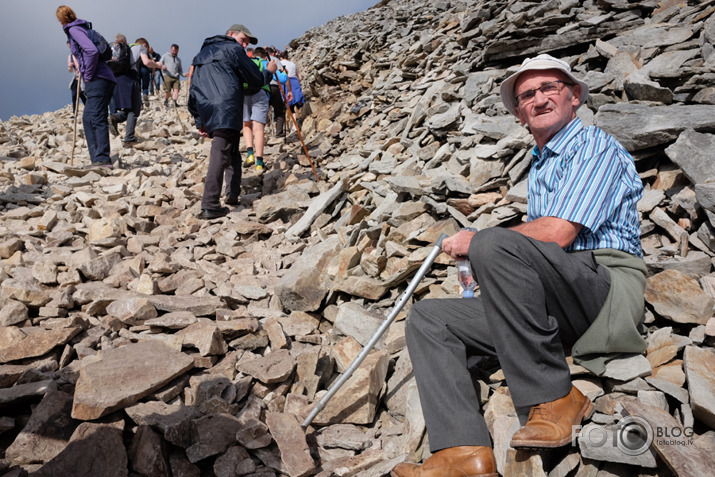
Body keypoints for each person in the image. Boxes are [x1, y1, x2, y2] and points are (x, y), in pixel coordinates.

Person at [392, 54, 646, 477]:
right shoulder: (543, 163)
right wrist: (495, 260)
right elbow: (539, 249)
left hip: (604, 290)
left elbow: (560, 234)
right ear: (518, 114)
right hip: (560, 298)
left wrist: (481, 244)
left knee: (493, 241)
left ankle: (555, 398)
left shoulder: (592, 146)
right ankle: (463, 452)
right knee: (430, 318)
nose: (540, 99)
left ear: (575, 96)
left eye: (550, 88)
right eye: (528, 95)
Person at [188, 24, 276, 220]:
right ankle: (210, 204)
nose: (244, 44)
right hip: (226, 106)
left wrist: (199, 119)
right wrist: (268, 72)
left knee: (231, 147)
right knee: (221, 151)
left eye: (247, 43)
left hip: (207, 107)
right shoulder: (233, 49)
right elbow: (254, 80)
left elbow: (193, 88)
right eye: (243, 39)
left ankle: (232, 193)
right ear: (230, 34)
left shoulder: (201, 54)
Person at [57, 5, 116, 167]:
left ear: (61, 20)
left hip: (98, 78)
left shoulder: (74, 30)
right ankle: (97, 158)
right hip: (103, 78)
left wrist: (87, 75)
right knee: (88, 118)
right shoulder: (82, 28)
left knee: (96, 117)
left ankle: (103, 159)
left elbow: (91, 51)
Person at [109, 37, 164, 147]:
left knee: (128, 108)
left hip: (117, 79)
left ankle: (114, 118)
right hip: (130, 79)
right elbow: (146, 62)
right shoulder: (141, 48)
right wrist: (158, 65)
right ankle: (129, 139)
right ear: (145, 45)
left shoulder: (124, 48)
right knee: (135, 109)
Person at [243, 47, 277, 172]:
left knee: (246, 124)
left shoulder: (245, 62)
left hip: (244, 93)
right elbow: (282, 78)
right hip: (260, 92)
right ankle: (259, 163)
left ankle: (250, 154)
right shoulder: (264, 62)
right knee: (258, 128)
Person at [265, 47, 292, 139]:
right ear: (272, 53)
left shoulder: (260, 60)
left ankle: (259, 133)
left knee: (263, 110)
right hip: (275, 87)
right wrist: (290, 91)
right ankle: (279, 132)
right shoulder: (275, 60)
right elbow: (284, 76)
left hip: (264, 87)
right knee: (279, 110)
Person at [279, 50, 304, 115]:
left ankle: (291, 121)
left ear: (280, 58)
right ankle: (297, 119)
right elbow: (300, 77)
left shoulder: (280, 63)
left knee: (288, 103)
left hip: (286, 82)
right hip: (295, 81)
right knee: (295, 101)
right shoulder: (293, 64)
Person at [67, 42, 86, 115]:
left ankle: (88, 109)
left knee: (82, 93)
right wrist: (71, 66)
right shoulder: (71, 56)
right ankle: (74, 112)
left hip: (83, 76)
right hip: (76, 76)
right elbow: (70, 70)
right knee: (74, 94)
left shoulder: (81, 53)